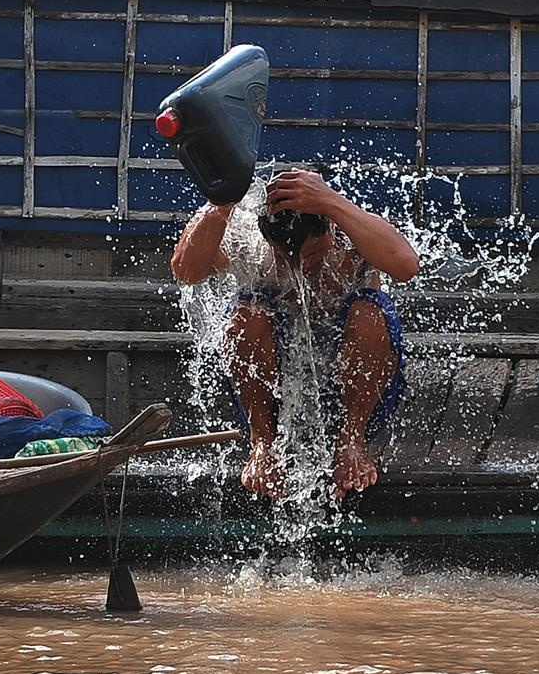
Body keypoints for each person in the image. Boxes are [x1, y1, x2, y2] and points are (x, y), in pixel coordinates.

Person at [170, 164, 419, 498]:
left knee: (370, 312)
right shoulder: (248, 239)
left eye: (315, 252)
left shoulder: (349, 227)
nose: (303, 265)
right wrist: (223, 200)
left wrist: (332, 200)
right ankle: (263, 446)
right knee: (247, 314)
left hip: (357, 387)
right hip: (272, 392)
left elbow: (406, 265)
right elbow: (185, 270)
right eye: (287, 257)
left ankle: (352, 442)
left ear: (329, 226)